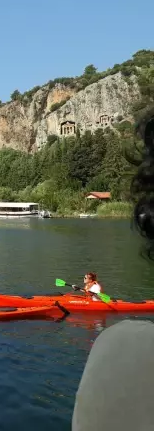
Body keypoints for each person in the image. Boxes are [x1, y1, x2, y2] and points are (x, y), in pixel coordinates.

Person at [72, 111, 154, 430]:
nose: (83, 280)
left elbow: (101, 298)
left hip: (100, 307)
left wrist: (92, 295)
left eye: (85, 279)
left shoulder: (117, 345)